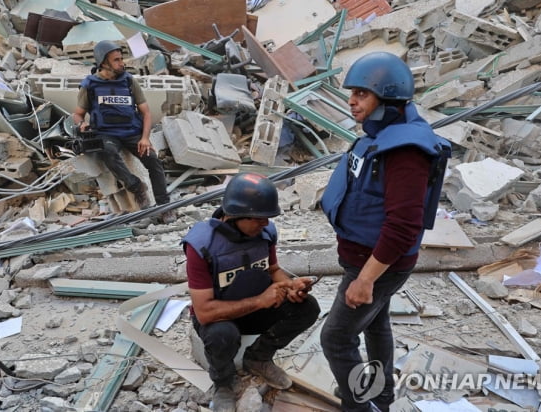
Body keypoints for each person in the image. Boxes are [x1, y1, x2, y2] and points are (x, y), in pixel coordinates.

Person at [320, 52, 451, 411]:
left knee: (335, 338)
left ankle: (359, 404)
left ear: (388, 97)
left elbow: (404, 225)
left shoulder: (406, 150)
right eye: (352, 93)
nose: (352, 101)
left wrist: (365, 280)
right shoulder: (384, 135)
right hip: (366, 258)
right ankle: (382, 395)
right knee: (376, 325)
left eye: (362, 93)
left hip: (376, 264)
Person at [182, 173, 320, 412]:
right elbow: (204, 313)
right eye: (259, 218)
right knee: (221, 335)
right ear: (236, 215)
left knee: (308, 307)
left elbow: (273, 269)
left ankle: (258, 357)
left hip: (255, 308)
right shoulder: (202, 245)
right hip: (219, 315)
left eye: (267, 218)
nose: (265, 224)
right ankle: (223, 382)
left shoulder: (265, 234)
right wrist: (260, 300)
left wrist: (290, 285)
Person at [72, 40, 174, 222]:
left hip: (132, 132)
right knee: (107, 152)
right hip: (107, 133)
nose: (122, 63)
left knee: (153, 161)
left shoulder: (128, 81)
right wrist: (81, 125)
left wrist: (145, 138)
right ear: (103, 63)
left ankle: (164, 206)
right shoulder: (90, 85)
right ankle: (136, 187)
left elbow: (146, 113)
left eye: (121, 59)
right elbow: (78, 114)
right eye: (116, 60)